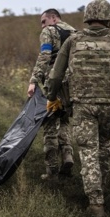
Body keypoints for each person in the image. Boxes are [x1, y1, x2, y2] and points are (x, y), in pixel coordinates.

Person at [45, 0, 110, 217]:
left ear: (87, 18)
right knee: (103, 146)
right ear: (109, 18)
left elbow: (55, 75)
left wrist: (51, 98)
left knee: (88, 149)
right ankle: (100, 188)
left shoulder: (72, 41)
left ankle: (95, 202)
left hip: (82, 105)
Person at [27, 8, 76, 181]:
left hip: (54, 83)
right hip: (73, 85)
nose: (42, 26)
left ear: (53, 19)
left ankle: (52, 171)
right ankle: (68, 156)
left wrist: (34, 80)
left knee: (49, 124)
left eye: (43, 21)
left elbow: (45, 56)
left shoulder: (49, 31)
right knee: (64, 120)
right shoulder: (75, 32)